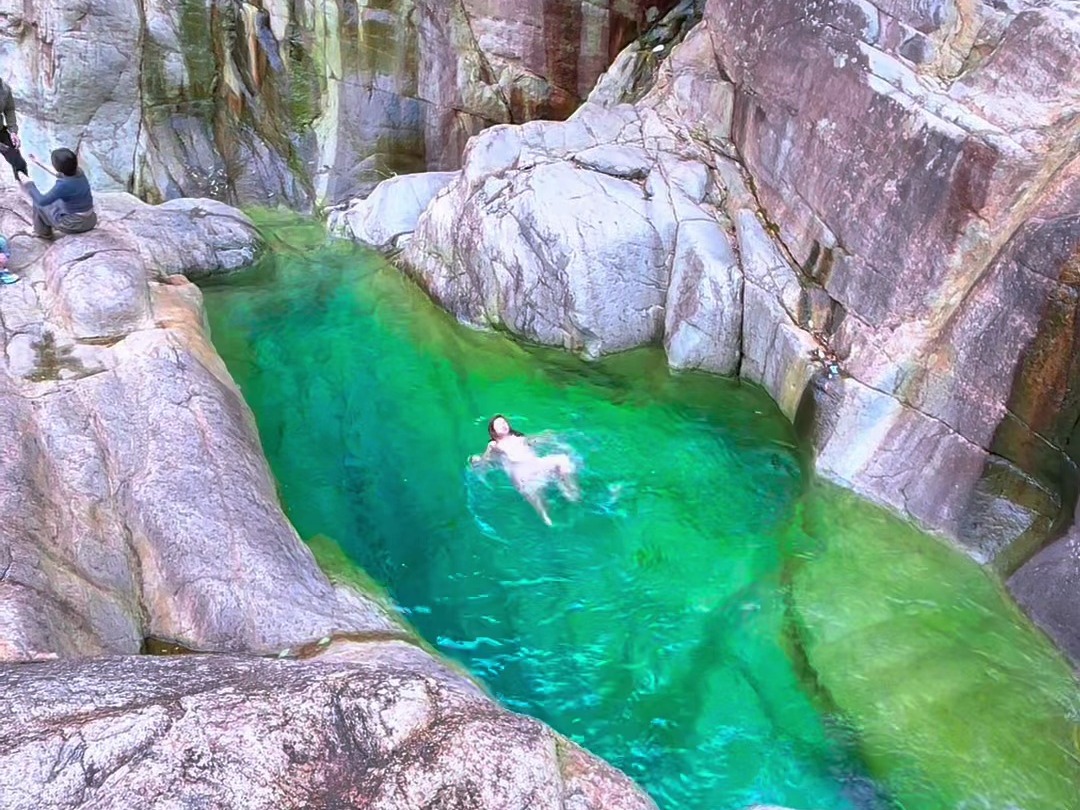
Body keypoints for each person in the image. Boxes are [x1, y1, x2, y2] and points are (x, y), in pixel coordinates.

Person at [470, 414, 580, 526]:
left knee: (563, 459)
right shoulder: (494, 445)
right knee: (538, 499)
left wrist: (546, 435)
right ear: (493, 431)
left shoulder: (520, 437)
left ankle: (572, 492)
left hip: (537, 465)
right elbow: (487, 460)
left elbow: (535, 441)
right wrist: (478, 460)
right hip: (522, 473)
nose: (503, 425)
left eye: (504, 422)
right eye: (499, 424)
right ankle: (548, 520)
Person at [20, 148, 97, 239]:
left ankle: (42, 233)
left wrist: (29, 184)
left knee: (38, 203)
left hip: (75, 224)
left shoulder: (63, 185)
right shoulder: (79, 172)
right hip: (91, 220)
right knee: (56, 202)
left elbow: (42, 201)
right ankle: (44, 227)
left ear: (57, 167)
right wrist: (39, 163)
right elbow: (60, 174)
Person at [0, 78, 28, 180]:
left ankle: (26, 191)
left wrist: (13, 132)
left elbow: (9, 109)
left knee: (19, 164)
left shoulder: (4, 89)